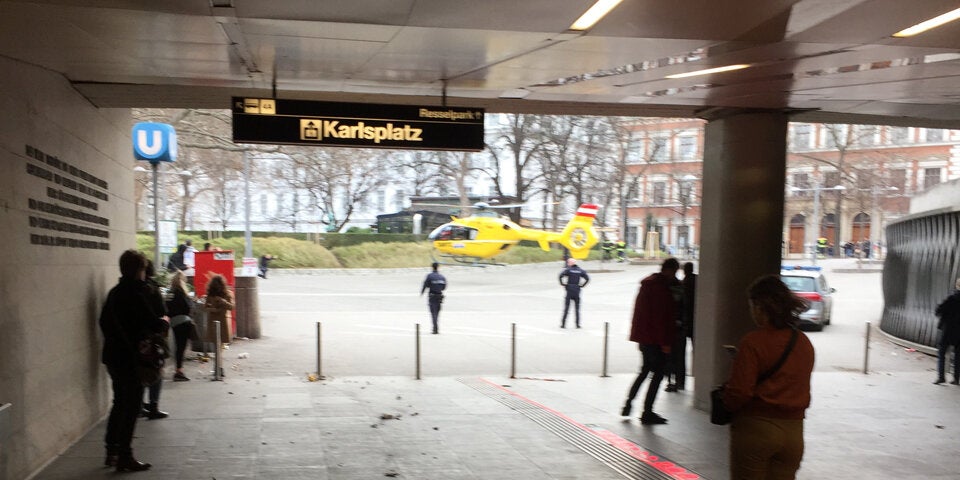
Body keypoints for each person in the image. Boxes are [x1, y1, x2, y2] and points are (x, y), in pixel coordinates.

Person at [722, 275, 815, 480]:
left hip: (756, 429)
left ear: (760, 307)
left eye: (752, 306)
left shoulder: (753, 342)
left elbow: (740, 392)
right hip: (793, 433)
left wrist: (725, 401)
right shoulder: (803, 342)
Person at [98, 250, 168, 471]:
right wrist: (164, 321)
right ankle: (125, 456)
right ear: (140, 269)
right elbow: (154, 323)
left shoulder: (114, 293)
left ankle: (111, 450)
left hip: (113, 357)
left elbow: (104, 323)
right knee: (132, 405)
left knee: (119, 402)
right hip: (132, 359)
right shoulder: (136, 293)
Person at [621, 258, 681, 425]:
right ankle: (647, 411)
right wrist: (665, 343)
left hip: (645, 339)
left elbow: (641, 314)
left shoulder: (648, 285)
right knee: (658, 375)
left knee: (644, 371)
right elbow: (661, 318)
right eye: (674, 272)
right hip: (657, 340)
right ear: (669, 270)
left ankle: (628, 403)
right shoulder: (661, 289)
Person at [140, 260, 169, 420]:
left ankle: (139, 405)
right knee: (155, 371)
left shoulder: (121, 291)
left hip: (133, 342)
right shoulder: (151, 289)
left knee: (139, 373)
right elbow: (161, 311)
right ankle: (153, 405)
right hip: (150, 338)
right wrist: (163, 323)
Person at [667, 262, 697, 392]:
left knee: (678, 356)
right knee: (689, 354)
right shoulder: (698, 282)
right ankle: (684, 381)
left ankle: (677, 382)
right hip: (693, 323)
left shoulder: (682, 285)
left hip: (681, 325)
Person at [166, 271, 196, 382]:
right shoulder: (181, 292)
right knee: (181, 347)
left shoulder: (170, 292)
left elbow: (166, 308)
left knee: (178, 346)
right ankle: (179, 371)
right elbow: (188, 307)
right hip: (184, 322)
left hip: (174, 322)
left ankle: (178, 370)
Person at [203, 274, 234, 375]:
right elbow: (206, 307)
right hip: (216, 322)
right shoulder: (210, 296)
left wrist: (222, 301)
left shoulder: (227, 294)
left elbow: (231, 306)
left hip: (221, 322)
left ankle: (218, 367)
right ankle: (219, 367)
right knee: (218, 347)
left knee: (219, 347)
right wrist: (214, 309)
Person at [934, 278, 960, 385]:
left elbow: (938, 310)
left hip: (948, 330)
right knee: (958, 355)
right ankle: (956, 378)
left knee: (942, 353)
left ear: (957, 285)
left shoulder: (951, 298)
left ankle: (941, 377)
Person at [559, 258, 590, 328]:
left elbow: (560, 276)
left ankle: (563, 324)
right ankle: (577, 324)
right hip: (577, 290)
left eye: (568, 263)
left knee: (566, 308)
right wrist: (582, 285)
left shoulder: (568, 270)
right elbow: (587, 278)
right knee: (577, 308)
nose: (568, 264)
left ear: (570, 263)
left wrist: (562, 284)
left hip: (569, 289)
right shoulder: (580, 270)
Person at [420, 262, 447, 334]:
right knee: (437, 312)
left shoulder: (429, 276)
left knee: (433, 312)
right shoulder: (442, 277)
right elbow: (444, 287)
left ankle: (435, 328)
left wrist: (422, 293)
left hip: (432, 296)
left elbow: (425, 285)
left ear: (432, 267)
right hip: (439, 296)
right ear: (438, 267)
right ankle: (436, 326)